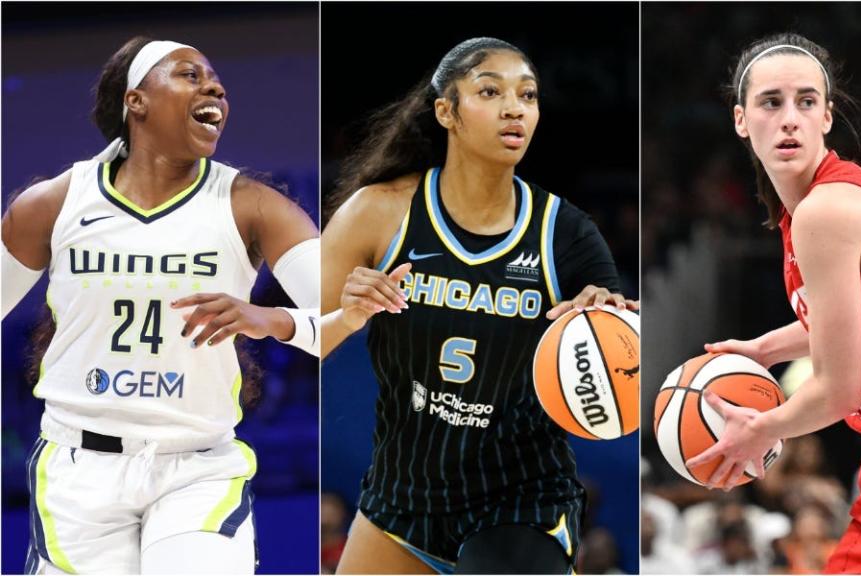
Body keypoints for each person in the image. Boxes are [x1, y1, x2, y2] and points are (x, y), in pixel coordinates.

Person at [1, 37, 319, 573]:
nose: (213, 85)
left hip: (198, 464)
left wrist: (276, 319)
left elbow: (342, 313)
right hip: (78, 469)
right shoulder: (54, 204)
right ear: (136, 101)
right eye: (189, 75)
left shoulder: (252, 205)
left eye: (214, 78)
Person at [321, 37, 637, 574]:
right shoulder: (378, 213)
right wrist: (346, 317)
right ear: (446, 110)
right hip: (403, 499)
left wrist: (615, 321)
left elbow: (626, 367)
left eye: (528, 95)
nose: (515, 107)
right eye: (490, 92)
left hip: (520, 503)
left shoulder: (566, 234)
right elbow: (306, 344)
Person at [685, 33, 861, 574]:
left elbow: (838, 390)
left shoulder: (826, 212)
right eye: (771, 102)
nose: (790, 118)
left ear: (827, 116)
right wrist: (767, 348)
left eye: (806, 102)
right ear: (742, 120)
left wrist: (761, 430)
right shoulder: (811, 210)